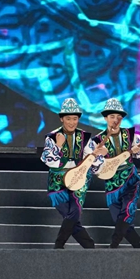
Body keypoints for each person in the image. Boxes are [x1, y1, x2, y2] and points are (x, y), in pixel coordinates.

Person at [41, 98, 105, 249]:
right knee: (69, 216)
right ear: (61, 118)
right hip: (57, 181)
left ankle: (59, 245)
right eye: (68, 119)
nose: (71, 122)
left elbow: (93, 162)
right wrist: (58, 145)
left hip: (78, 179)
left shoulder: (85, 137)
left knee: (74, 213)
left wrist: (97, 155)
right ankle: (89, 246)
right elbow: (48, 160)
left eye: (75, 119)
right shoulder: (52, 137)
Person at [85, 98, 140, 248]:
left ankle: (114, 243)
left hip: (130, 179)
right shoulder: (97, 141)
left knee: (128, 210)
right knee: (119, 218)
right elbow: (93, 169)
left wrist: (138, 152)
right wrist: (98, 157)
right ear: (105, 118)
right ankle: (138, 245)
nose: (115, 120)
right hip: (111, 182)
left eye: (118, 117)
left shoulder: (131, 135)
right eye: (112, 116)